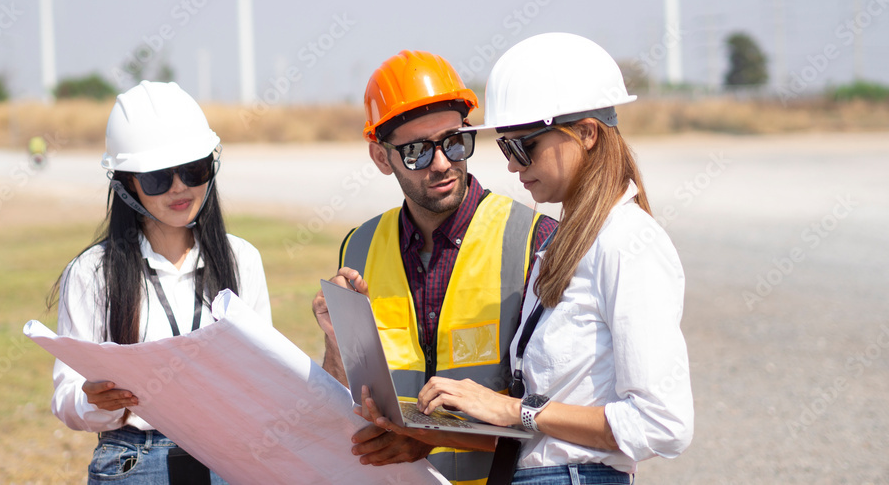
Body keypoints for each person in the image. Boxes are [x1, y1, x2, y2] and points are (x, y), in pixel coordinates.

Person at [356, 33, 694, 484]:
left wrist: (518, 410)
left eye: (523, 147)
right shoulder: (569, 246)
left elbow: (663, 424)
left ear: (587, 133)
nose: (512, 167)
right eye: (504, 148)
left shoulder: (628, 244)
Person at [312, 50, 558, 485]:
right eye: (416, 152)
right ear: (381, 157)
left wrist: (430, 438)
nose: (443, 163)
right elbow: (338, 403)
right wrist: (334, 341)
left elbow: (554, 414)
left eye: (454, 142)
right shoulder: (359, 248)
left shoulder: (535, 242)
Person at [49, 81, 271, 485]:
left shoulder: (242, 260)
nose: (180, 187)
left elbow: (264, 376)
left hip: (231, 456)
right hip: (134, 459)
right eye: (157, 178)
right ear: (125, 184)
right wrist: (93, 399)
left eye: (193, 169)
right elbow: (66, 395)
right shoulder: (92, 271)